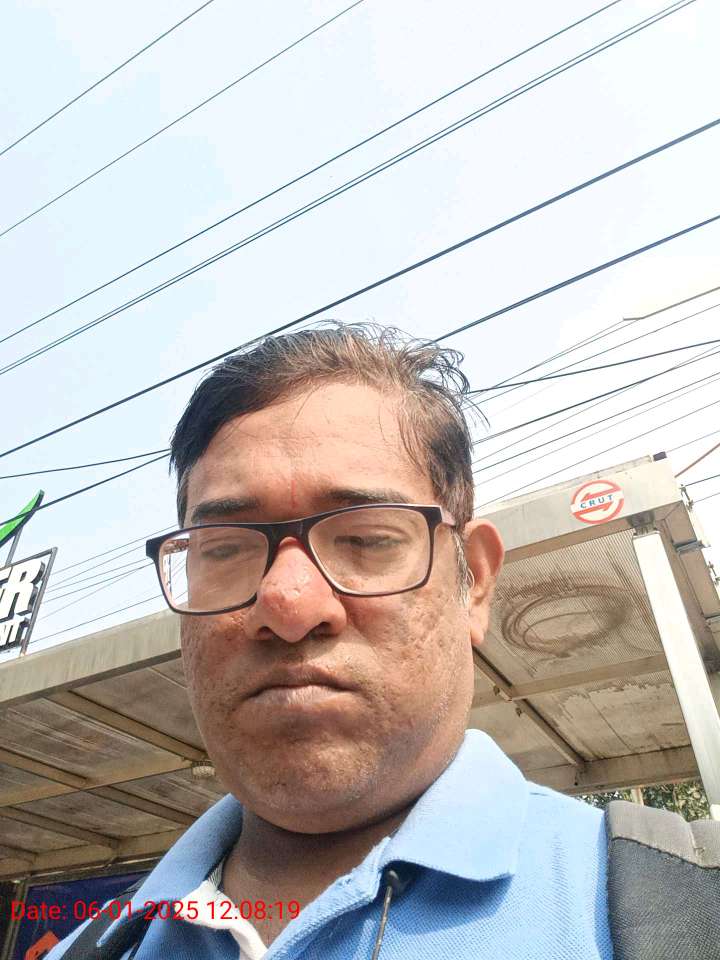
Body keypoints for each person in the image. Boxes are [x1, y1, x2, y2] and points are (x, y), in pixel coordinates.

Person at [49, 323, 612, 959]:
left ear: (474, 583)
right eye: (226, 549)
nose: (288, 605)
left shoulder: (661, 910)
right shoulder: (86, 950)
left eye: (367, 539)